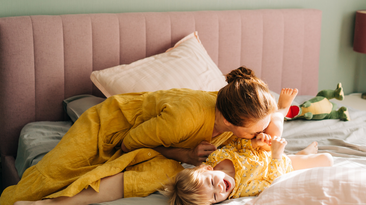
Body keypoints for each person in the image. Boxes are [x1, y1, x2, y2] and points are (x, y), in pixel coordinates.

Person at [2, 66, 295, 205]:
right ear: (233, 122)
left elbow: (271, 131)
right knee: (54, 173)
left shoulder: (234, 118)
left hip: (161, 144)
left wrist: (279, 112)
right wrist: (186, 155)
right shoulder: (185, 118)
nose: (261, 134)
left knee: (158, 176)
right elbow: (130, 142)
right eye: (257, 130)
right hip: (115, 126)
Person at [163, 135, 333, 205]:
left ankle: (283, 110)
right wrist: (276, 156)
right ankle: (303, 154)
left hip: (265, 151)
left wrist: (256, 143)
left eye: (212, 182)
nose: (220, 188)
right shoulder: (241, 189)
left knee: (275, 122)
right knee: (327, 160)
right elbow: (272, 181)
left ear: (208, 168)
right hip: (283, 164)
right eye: (215, 197)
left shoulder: (216, 157)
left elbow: (237, 145)